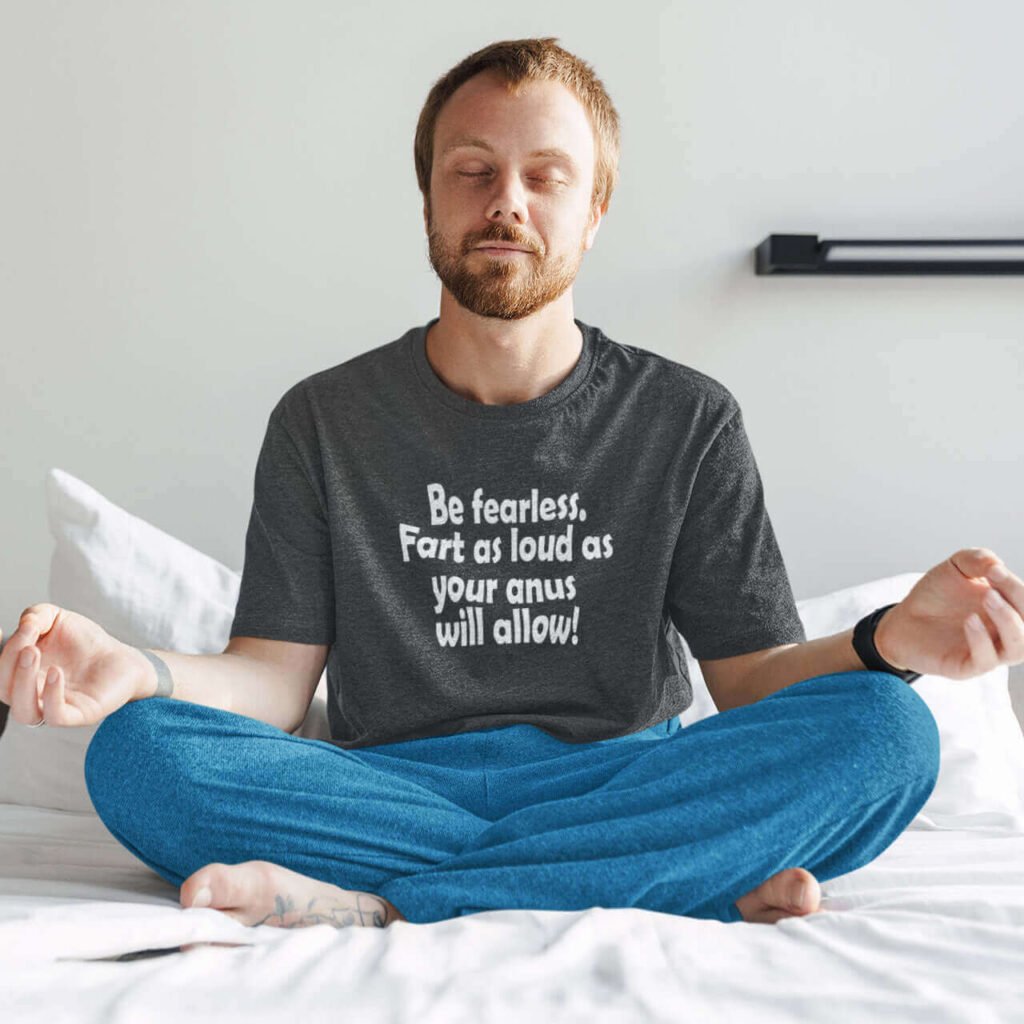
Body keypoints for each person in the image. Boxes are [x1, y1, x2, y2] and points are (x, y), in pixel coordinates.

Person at [2, 37, 1018, 931]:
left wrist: (887, 643)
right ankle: (676, 881)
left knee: (887, 729)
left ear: (595, 210)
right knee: (138, 752)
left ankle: (385, 904)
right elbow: (270, 682)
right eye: (473, 170)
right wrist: (137, 669)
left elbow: (750, 681)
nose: (506, 202)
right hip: (386, 785)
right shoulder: (323, 419)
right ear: (430, 199)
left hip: (628, 776)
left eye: (546, 176)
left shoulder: (686, 419)